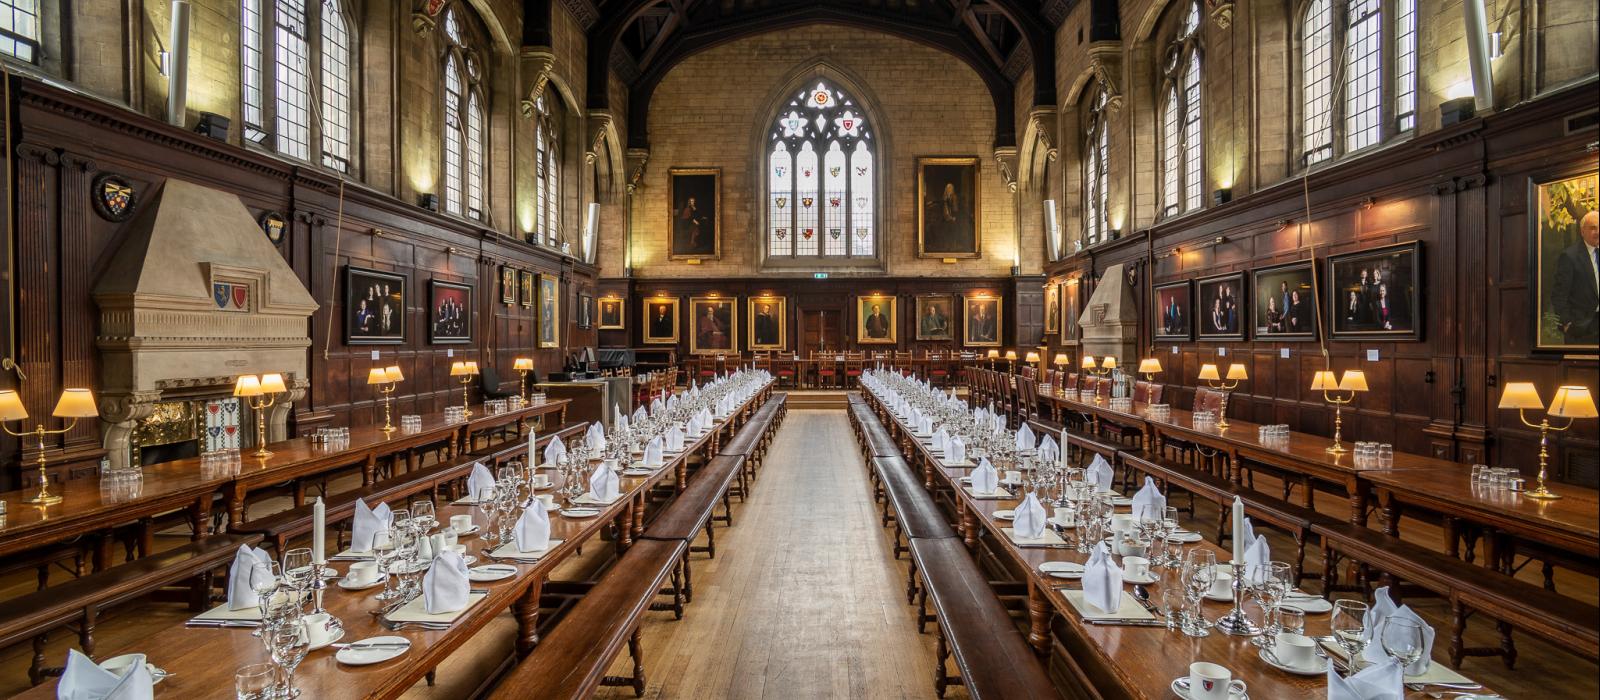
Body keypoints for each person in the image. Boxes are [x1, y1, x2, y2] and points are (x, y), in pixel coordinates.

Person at [1552, 210, 1600, 345]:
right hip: (1581, 329)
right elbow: (1558, 295)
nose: (1597, 232)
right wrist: (1567, 324)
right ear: (1582, 231)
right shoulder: (1569, 257)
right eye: (1593, 228)